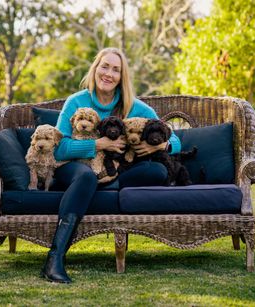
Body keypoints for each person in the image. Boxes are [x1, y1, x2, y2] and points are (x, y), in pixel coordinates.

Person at [40, 47, 181, 283]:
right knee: (86, 177)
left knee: (157, 170)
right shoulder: (76, 101)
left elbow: (175, 139)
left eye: (116, 70)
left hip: (114, 171)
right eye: (104, 66)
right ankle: (54, 259)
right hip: (74, 167)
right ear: (95, 69)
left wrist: (159, 147)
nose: (109, 73)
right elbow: (60, 147)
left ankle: (101, 183)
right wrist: (99, 144)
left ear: (121, 77)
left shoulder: (135, 106)